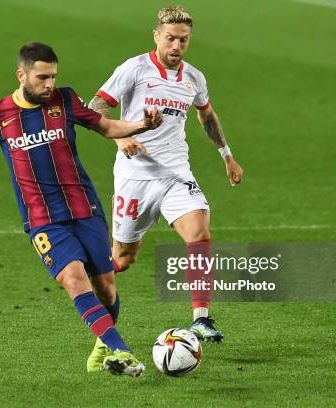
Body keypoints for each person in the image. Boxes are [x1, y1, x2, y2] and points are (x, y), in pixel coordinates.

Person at [0, 42, 162, 376]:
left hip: (85, 208)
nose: (49, 84)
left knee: (106, 286)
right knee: (73, 279)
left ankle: (103, 350)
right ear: (22, 74)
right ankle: (121, 350)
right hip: (42, 219)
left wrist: (142, 125)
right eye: (42, 77)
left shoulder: (65, 100)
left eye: (53, 77)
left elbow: (106, 126)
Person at [89, 6, 244, 342]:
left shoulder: (194, 78)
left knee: (199, 233)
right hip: (135, 176)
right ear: (157, 36)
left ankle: (201, 319)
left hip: (176, 173)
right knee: (124, 258)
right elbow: (96, 107)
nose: (176, 46)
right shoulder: (134, 69)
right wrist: (121, 136)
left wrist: (227, 156)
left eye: (183, 40)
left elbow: (207, 116)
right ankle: (86, 278)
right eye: (171, 38)